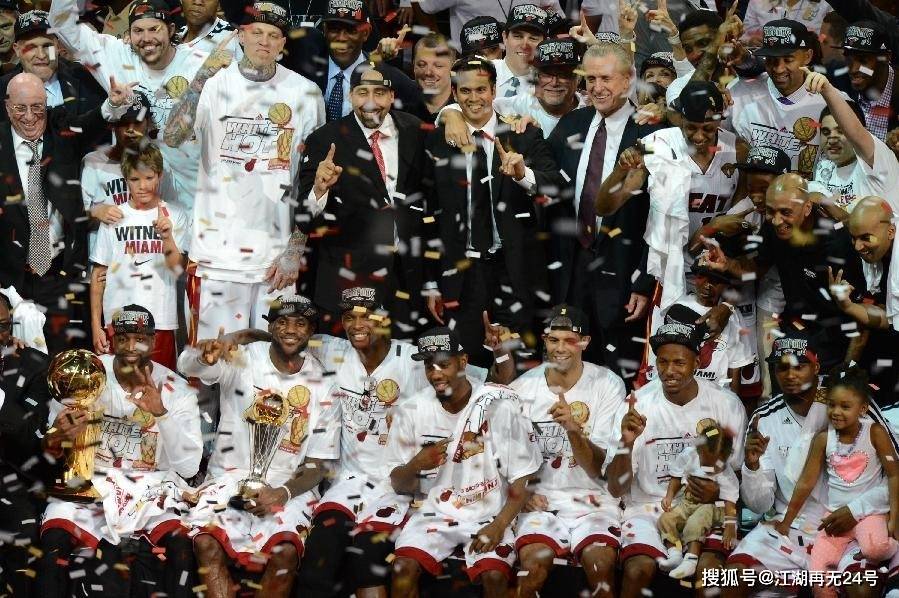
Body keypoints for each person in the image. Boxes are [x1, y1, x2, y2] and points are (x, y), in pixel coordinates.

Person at [292, 287, 505, 597]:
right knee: (319, 557)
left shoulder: (417, 361)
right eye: (349, 317)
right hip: (348, 481)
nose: (357, 325)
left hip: (397, 486)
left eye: (366, 316)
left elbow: (494, 381)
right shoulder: (332, 349)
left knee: (367, 559)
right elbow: (283, 338)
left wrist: (502, 351)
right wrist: (240, 338)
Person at [164, 1, 324, 339]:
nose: (264, 41)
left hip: (276, 259)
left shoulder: (306, 94)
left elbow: (311, 180)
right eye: (256, 32)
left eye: (273, 35)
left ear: (283, 43)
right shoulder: (214, 83)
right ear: (240, 35)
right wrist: (202, 76)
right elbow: (173, 136)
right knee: (218, 359)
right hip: (217, 255)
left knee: (271, 357)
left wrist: (295, 248)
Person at [178, 295, 338, 598]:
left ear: (311, 331)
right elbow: (187, 366)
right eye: (282, 322)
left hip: (287, 486)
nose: (290, 330)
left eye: (300, 324)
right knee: (206, 542)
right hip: (229, 477)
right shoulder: (243, 358)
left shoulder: (324, 383)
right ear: (271, 326)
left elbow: (319, 464)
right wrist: (203, 357)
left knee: (285, 553)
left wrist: (282, 493)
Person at [38, 305, 203, 598]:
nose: (130, 347)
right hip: (90, 488)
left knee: (181, 551)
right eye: (123, 338)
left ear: (153, 341)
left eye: (140, 339)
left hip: (151, 495)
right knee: (54, 545)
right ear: (112, 340)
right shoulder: (84, 374)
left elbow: (189, 468)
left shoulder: (177, 391)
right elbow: (50, 451)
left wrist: (161, 414)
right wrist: (59, 435)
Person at [722, 329, 896, 598]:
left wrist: (857, 509)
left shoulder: (852, 401)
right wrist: (752, 467)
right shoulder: (763, 418)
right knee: (732, 579)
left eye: (799, 366)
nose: (790, 375)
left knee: (862, 589)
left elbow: (895, 475)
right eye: (782, 368)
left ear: (816, 367)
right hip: (790, 527)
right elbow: (760, 505)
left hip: (853, 524)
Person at [423, 56, 563, 367]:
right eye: (465, 91)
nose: (474, 98)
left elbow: (556, 185)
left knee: (516, 364)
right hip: (461, 273)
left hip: (514, 270)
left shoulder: (523, 134)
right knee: (468, 364)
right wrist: (430, 282)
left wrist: (523, 175)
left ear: (494, 90)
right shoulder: (437, 141)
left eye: (481, 90)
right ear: (454, 94)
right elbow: (427, 214)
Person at [388, 333, 541, 598]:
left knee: (494, 576)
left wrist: (499, 525)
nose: (436, 374)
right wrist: (415, 464)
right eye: (429, 366)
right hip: (434, 512)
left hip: (489, 514)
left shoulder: (497, 406)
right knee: (403, 567)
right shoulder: (412, 408)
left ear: (462, 362)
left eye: (444, 364)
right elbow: (397, 482)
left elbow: (524, 475)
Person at [605, 323, 747, 598]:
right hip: (648, 507)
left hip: (707, 507)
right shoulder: (636, 405)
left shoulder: (726, 404)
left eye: (679, 363)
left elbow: (737, 473)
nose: (669, 371)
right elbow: (615, 488)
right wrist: (626, 442)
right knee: (636, 571)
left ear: (697, 363)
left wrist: (717, 493)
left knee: (710, 575)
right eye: (663, 362)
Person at [0, 73, 135, 355]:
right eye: (20, 108)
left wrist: (113, 104)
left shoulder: (60, 130)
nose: (30, 117)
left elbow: (91, 122)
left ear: (46, 104)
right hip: (8, 279)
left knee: (58, 358)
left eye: (37, 107)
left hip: (57, 274)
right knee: (14, 361)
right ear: (7, 107)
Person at [544, 42, 657, 376]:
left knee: (619, 368)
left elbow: (661, 214)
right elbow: (543, 175)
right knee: (570, 365)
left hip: (624, 271)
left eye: (606, 78)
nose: (597, 87)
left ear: (628, 79)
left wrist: (644, 281)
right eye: (590, 79)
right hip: (571, 267)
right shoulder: (571, 124)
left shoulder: (652, 133)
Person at [49, 0, 209, 213]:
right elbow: (61, 22)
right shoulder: (116, 55)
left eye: (154, 29)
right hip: (137, 203)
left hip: (195, 196)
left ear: (171, 30)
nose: (146, 38)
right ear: (129, 33)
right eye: (138, 31)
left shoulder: (199, 63)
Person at [296, 64, 426, 326]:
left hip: (406, 284)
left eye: (380, 93)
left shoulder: (415, 130)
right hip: (346, 283)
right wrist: (319, 190)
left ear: (392, 96)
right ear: (350, 95)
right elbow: (305, 221)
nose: (370, 102)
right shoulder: (324, 139)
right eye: (362, 92)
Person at [510, 305, 626, 598]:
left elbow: (599, 469)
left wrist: (574, 430)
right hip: (542, 501)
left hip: (595, 500)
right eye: (553, 340)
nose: (560, 348)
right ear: (544, 340)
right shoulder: (522, 389)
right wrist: (523, 494)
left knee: (601, 570)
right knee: (532, 572)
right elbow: (506, 459)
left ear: (585, 342)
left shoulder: (608, 385)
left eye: (569, 340)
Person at [701, 172, 864, 370]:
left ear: (807, 208)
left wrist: (849, 366)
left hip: (833, 341)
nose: (777, 220)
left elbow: (860, 310)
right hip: (794, 331)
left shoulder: (837, 242)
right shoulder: (773, 229)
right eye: (771, 211)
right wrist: (728, 264)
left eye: (786, 212)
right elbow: (756, 268)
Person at [773, 367, 898, 595]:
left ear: (863, 408)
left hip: (870, 515)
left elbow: (894, 474)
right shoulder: (823, 439)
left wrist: (894, 522)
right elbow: (805, 482)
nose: (836, 412)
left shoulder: (875, 432)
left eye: (845, 406)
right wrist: (786, 521)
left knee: (876, 549)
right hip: (833, 517)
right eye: (831, 405)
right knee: (817, 575)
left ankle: (893, 555)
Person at [89, 145, 189, 370]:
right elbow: (98, 275)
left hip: (160, 320)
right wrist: (96, 325)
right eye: (135, 179)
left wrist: (167, 238)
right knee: (117, 385)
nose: (142, 186)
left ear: (160, 176)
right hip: (117, 321)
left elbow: (178, 271)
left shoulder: (176, 215)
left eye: (149, 178)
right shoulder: (114, 216)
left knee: (158, 385)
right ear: (126, 179)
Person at [729, 19, 835, 177]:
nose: (778, 69)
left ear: (807, 56)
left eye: (788, 60)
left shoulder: (831, 103)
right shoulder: (739, 92)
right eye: (771, 60)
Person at [0, 291, 51, 597]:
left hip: (12, 474)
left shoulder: (34, 365)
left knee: (24, 533)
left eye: (4, 326)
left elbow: (31, 435)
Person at [439, 37, 582, 136]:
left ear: (577, 77)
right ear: (535, 76)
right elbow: (471, 106)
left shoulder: (590, 110)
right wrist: (452, 115)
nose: (554, 82)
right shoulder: (512, 107)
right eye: (547, 74)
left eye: (563, 74)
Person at [830, 196, 899, 402]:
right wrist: (848, 305)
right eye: (853, 238)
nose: (858, 247)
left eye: (865, 238)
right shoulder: (873, 255)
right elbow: (887, 315)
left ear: (891, 232)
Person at [640, 274, 755, 396]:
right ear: (695, 278)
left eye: (716, 281)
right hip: (678, 394)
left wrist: (733, 402)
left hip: (715, 395)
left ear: (725, 285)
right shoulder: (675, 308)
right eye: (702, 277)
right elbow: (660, 357)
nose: (708, 286)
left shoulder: (732, 317)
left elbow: (736, 366)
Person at [807, 66, 899, 214]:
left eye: (841, 131)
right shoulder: (824, 166)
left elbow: (856, 132)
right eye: (826, 132)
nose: (832, 138)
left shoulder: (878, 158)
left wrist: (827, 90)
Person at [657, 419, 739, 579]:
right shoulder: (689, 455)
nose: (709, 469)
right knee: (665, 519)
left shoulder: (727, 474)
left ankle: (691, 560)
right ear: (698, 450)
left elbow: (730, 502)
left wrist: (730, 526)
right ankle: (674, 553)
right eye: (705, 463)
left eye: (715, 466)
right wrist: (669, 496)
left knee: (695, 522)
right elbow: (676, 476)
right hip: (687, 502)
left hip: (713, 506)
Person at [316, 0, 423, 123]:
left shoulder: (384, 74)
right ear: (324, 30)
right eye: (334, 29)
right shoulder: (308, 67)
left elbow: (425, 103)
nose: (341, 38)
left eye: (351, 30)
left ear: (365, 33)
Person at [0, 10, 106, 119]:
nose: (41, 55)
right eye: (31, 47)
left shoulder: (86, 77)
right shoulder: (2, 89)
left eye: (47, 46)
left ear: (58, 46)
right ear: (17, 50)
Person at [409, 0, 560, 51]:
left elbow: (555, 14)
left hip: (526, 64)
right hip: (472, 64)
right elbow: (421, 4)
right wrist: (440, 42)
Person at [839, 20, 898, 142]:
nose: (853, 69)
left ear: (886, 58)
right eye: (849, 59)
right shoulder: (838, 85)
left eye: (863, 61)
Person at [492, 4, 546, 98]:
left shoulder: (550, 84)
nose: (524, 46)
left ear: (545, 43)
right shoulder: (482, 71)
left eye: (533, 38)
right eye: (518, 36)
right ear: (505, 38)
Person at [411, 32, 456, 122]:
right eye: (422, 65)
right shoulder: (402, 99)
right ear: (413, 65)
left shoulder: (466, 105)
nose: (428, 72)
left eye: (438, 66)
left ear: (453, 68)